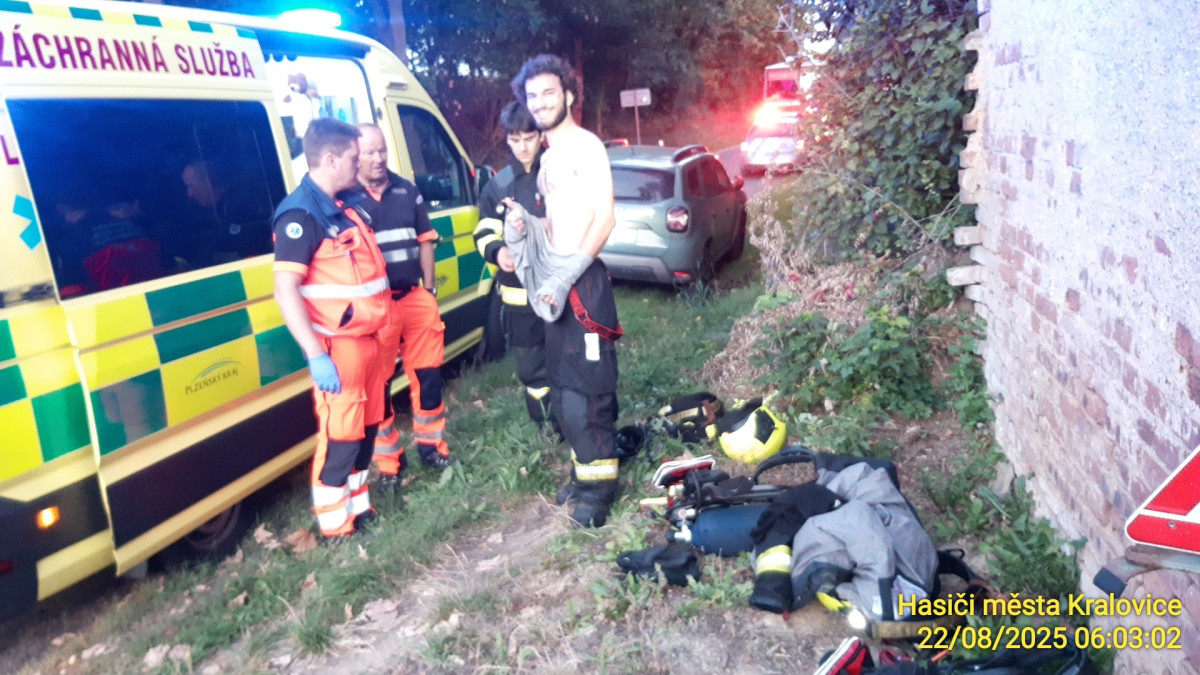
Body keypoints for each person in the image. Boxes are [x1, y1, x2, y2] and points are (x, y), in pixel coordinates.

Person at [506, 54, 623, 527]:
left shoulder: (585, 146)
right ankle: (583, 471)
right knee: (562, 385)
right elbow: (557, 223)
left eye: (548, 93)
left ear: (569, 95)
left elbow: (604, 218)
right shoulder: (550, 156)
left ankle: (600, 489)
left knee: (586, 390)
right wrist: (526, 224)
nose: (539, 102)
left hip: (582, 284)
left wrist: (569, 272)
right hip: (556, 286)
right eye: (532, 95)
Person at [272, 118, 390, 539]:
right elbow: (285, 289)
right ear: (330, 159)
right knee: (341, 436)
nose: (360, 165)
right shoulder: (301, 215)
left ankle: (359, 509)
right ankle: (336, 525)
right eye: (354, 158)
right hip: (337, 349)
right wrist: (315, 354)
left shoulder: (343, 205)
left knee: (365, 430)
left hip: (367, 343)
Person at [354, 123, 453, 483]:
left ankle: (431, 447)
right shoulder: (345, 198)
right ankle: (390, 463)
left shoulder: (407, 190)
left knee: (428, 378)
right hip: (375, 308)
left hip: (414, 300)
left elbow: (425, 240)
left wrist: (429, 290)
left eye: (382, 150)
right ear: (355, 155)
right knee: (377, 389)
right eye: (369, 152)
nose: (378, 158)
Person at [474, 101, 557, 431]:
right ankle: (546, 428)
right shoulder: (498, 185)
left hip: (559, 291)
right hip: (519, 299)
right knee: (530, 369)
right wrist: (498, 253)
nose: (522, 147)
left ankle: (575, 422)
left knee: (567, 360)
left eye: (529, 138)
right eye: (515, 140)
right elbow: (484, 231)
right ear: (506, 139)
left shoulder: (557, 175)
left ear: (541, 136)